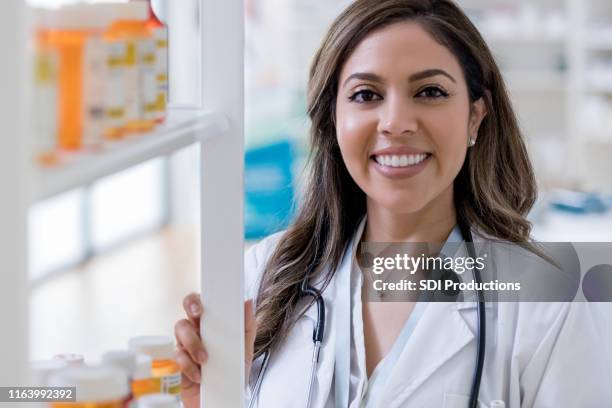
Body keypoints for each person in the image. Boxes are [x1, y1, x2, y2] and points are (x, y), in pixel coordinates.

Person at [174, 0, 611, 406]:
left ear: (475, 115)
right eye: (366, 95)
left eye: (430, 92)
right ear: (333, 118)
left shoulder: (549, 304)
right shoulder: (264, 276)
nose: (397, 122)